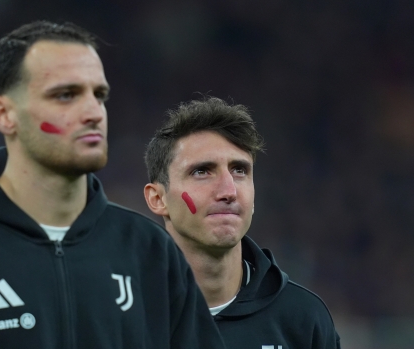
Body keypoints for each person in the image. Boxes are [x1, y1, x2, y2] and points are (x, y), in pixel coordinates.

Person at [0, 21, 225, 349]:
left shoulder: (149, 252)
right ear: (4, 114)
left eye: (99, 95)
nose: (93, 112)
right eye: (65, 95)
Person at [143, 96, 341, 348]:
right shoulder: (115, 313)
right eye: (202, 171)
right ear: (158, 198)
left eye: (240, 171)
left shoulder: (302, 319)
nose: (229, 190)